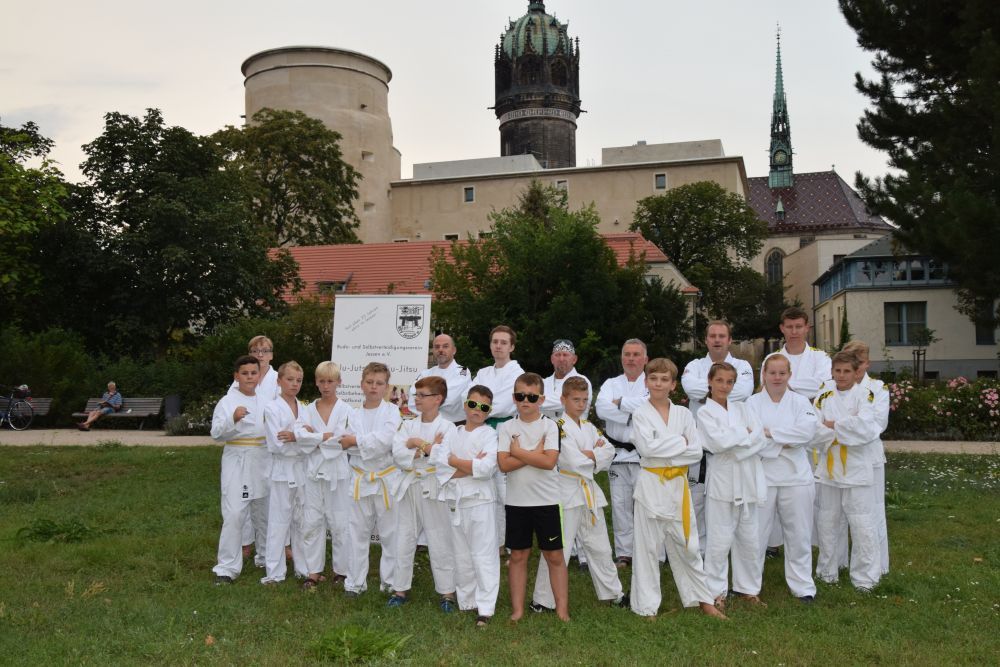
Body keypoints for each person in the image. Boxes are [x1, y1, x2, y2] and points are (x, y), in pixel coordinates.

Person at [628, 358, 725, 619]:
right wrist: (680, 442)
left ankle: (703, 599)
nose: (658, 384)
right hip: (651, 485)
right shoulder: (640, 413)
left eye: (664, 379)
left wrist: (666, 445)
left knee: (689, 545)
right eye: (653, 378)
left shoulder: (684, 414)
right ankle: (646, 606)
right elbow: (647, 449)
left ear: (673, 385)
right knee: (648, 548)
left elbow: (696, 452)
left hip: (678, 487)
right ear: (646, 382)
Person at [531, 377, 625, 610]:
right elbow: (572, 461)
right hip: (565, 492)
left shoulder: (590, 427)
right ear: (563, 400)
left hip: (589, 491)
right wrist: (594, 453)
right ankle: (543, 600)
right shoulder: (557, 427)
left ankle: (614, 593)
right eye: (576, 400)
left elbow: (609, 451)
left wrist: (590, 454)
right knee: (558, 549)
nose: (581, 404)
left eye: (584, 400)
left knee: (600, 546)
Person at [745, 354, 818, 602]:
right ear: (763, 374)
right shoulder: (751, 403)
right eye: (772, 373)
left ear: (789, 375)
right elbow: (751, 439)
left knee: (799, 534)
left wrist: (770, 434)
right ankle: (749, 586)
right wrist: (785, 442)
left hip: (796, 477)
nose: (777, 378)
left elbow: (806, 433)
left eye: (782, 373)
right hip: (762, 476)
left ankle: (803, 587)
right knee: (756, 535)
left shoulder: (800, 402)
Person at [760, 307, 831, 557]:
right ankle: (773, 542)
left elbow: (822, 386)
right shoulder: (773, 358)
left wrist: (787, 386)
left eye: (798, 326)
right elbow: (767, 389)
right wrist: (799, 389)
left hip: (810, 424)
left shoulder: (820, 357)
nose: (794, 331)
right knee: (774, 487)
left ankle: (810, 540)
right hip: (777, 424)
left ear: (807, 328)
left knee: (809, 490)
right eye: (789, 327)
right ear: (782, 328)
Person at [498, 372, 568, 622]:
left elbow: (549, 462)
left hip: (546, 501)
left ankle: (562, 610)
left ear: (542, 399)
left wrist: (517, 452)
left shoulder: (550, 426)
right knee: (518, 556)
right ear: (514, 398)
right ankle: (517, 610)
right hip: (517, 502)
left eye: (531, 396)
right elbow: (503, 465)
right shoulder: (506, 427)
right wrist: (534, 453)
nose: (525, 401)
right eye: (520, 396)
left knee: (554, 556)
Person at [697, 362, 768, 609]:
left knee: (749, 537)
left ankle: (748, 588)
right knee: (719, 539)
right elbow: (717, 443)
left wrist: (737, 439)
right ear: (710, 381)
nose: (724, 386)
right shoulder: (704, 413)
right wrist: (744, 434)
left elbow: (760, 439)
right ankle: (715, 592)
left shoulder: (743, 408)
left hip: (747, 479)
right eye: (719, 380)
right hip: (722, 480)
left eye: (729, 382)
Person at [681, 320, 754, 554]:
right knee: (696, 500)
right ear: (706, 340)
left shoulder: (742, 365)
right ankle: (698, 550)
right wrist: (721, 391)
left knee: (729, 501)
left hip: (732, 448)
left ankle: (724, 548)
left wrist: (709, 391)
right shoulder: (694, 365)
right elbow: (689, 389)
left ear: (729, 340)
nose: (717, 340)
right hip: (700, 447)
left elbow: (744, 391)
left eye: (722, 336)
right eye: (712, 336)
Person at [430, 385, 501, 627]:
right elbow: (440, 466)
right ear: (465, 405)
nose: (476, 410)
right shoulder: (453, 432)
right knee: (461, 554)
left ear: (489, 411)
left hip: (480, 500)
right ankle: (467, 600)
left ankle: (485, 607)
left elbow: (486, 468)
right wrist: (468, 465)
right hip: (455, 501)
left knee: (483, 555)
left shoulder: (490, 435)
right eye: (472, 404)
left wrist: (454, 461)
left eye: (483, 407)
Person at [812, 351, 882, 592]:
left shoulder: (865, 394)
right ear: (832, 371)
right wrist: (844, 426)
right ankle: (827, 572)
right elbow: (814, 428)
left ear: (856, 372)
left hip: (856, 467)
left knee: (862, 523)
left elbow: (866, 429)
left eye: (847, 371)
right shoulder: (824, 394)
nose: (841, 375)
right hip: (830, 467)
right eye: (837, 371)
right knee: (827, 521)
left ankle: (865, 578)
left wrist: (833, 425)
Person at [390, 376, 458, 610]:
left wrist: (416, 444)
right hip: (410, 484)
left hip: (434, 486)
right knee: (404, 537)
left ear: (438, 399)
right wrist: (426, 448)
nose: (416, 399)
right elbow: (397, 454)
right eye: (416, 395)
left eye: (422, 395)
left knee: (439, 538)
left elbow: (444, 457)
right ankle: (399, 589)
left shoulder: (448, 427)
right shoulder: (408, 424)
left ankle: (447, 593)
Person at [339, 362, 403, 598]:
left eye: (379, 383)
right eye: (369, 382)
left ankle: (390, 582)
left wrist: (356, 441)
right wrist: (358, 443)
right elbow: (345, 443)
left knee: (390, 533)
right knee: (356, 533)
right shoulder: (352, 414)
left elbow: (386, 441)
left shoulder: (392, 412)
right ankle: (355, 583)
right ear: (361, 384)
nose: (374, 387)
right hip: (360, 478)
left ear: (386, 387)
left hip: (386, 479)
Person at [210, 355, 271, 584]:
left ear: (259, 375)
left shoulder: (267, 401)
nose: (249, 377)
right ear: (236, 376)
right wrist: (233, 419)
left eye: (253, 373)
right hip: (237, 459)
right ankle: (227, 567)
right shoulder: (227, 402)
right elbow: (216, 433)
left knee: (264, 513)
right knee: (235, 513)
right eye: (245, 373)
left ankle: (266, 558)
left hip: (263, 459)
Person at [261, 361, 321, 585]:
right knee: (279, 521)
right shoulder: (271, 408)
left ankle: (303, 569)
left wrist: (296, 437)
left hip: (302, 469)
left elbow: (313, 440)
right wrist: (303, 438)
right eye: (290, 379)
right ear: (279, 381)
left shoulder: (304, 408)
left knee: (302, 520)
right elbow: (277, 444)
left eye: (299, 380)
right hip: (282, 470)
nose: (295, 384)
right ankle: (274, 572)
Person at [595, 338, 649, 568]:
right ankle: (624, 553)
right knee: (620, 505)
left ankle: (651, 551)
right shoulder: (611, 383)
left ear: (645, 359)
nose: (631, 359)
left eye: (636, 354)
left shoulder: (652, 382)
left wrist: (620, 403)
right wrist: (631, 414)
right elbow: (601, 408)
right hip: (618, 452)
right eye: (627, 354)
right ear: (622, 357)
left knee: (646, 505)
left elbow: (651, 406)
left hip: (644, 453)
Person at [471, 325, 525, 545]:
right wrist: (479, 408)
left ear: (511, 347)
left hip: (505, 431)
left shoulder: (517, 374)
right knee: (486, 487)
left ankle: (512, 542)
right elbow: (471, 398)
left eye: (504, 342)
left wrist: (480, 409)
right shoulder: (483, 373)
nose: (499, 346)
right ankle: (495, 540)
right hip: (483, 432)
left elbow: (503, 404)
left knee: (505, 492)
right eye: (495, 342)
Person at [301, 361, 353, 588]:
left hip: (338, 474)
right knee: (312, 521)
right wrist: (324, 437)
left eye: (330, 381)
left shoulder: (347, 410)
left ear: (339, 382)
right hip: (313, 473)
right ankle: (313, 571)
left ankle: (341, 571)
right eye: (322, 381)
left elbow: (342, 441)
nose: (326, 386)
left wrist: (315, 437)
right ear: (316, 382)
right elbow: (301, 439)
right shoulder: (308, 410)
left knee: (340, 522)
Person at [841, 340, 891, 575]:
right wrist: (851, 423)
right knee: (836, 514)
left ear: (867, 363)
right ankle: (839, 563)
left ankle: (877, 564)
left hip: (869, 458)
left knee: (872, 511)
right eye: (850, 362)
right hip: (838, 458)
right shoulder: (834, 387)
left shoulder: (877, 388)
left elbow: (876, 425)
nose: (855, 367)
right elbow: (825, 422)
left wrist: (843, 425)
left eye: (858, 363)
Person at [408, 334, 472, 424]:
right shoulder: (425, 373)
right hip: (427, 423)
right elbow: (412, 399)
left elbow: (451, 398)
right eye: (437, 347)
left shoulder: (463, 371)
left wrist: (424, 400)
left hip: (455, 424)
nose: (440, 350)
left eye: (445, 346)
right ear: (433, 351)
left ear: (454, 350)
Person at [540, 339, 592, 420]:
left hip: (573, 428)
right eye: (557, 355)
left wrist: (534, 399)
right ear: (552, 359)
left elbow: (565, 403)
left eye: (565, 355)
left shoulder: (582, 381)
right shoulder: (543, 382)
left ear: (574, 359)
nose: (561, 359)